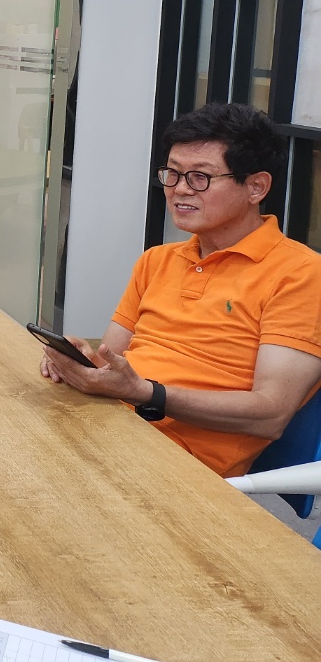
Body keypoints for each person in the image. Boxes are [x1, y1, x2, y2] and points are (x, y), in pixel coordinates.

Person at [39, 102, 321, 477]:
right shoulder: (157, 260)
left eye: (199, 177)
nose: (179, 190)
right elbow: (111, 364)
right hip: (106, 429)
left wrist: (146, 392)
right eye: (172, 174)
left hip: (178, 468)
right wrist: (77, 364)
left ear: (256, 187)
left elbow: (271, 414)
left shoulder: (301, 274)